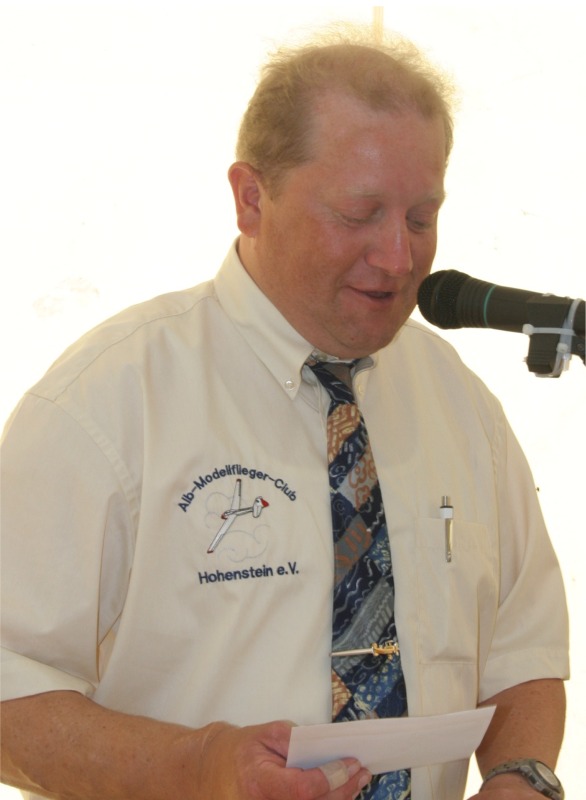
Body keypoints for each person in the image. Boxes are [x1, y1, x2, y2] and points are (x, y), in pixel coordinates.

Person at [0, 22, 569, 800]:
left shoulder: (459, 403)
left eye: (421, 217)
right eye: (359, 214)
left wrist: (521, 775)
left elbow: (524, 652)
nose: (399, 257)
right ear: (251, 199)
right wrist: (199, 765)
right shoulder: (107, 403)